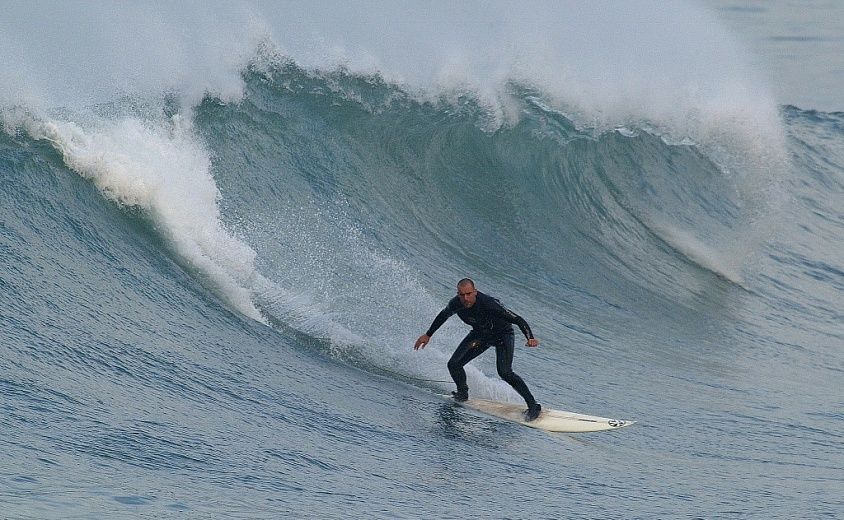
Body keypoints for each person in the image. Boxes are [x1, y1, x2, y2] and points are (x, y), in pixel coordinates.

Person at [414, 278, 542, 421]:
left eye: (469, 294)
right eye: (461, 295)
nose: (465, 298)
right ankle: (462, 394)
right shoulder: (456, 304)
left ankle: (533, 406)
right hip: (480, 335)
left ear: (475, 292)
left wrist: (530, 337)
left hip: (502, 335)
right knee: (454, 364)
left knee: (505, 372)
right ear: (458, 294)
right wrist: (428, 334)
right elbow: (443, 315)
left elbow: (518, 319)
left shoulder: (489, 304)